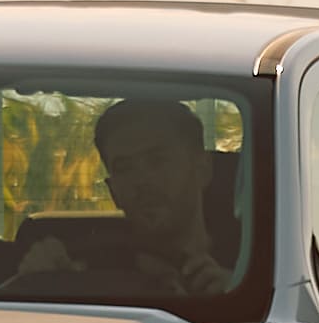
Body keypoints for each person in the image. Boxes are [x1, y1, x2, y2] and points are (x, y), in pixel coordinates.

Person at [26, 94, 236, 308]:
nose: (141, 180)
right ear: (112, 191)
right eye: (124, 168)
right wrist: (41, 281)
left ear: (202, 169)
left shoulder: (253, 268)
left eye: (158, 160)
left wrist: (233, 297)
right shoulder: (89, 269)